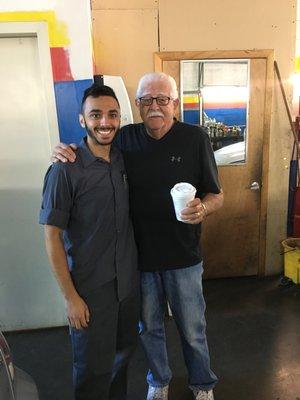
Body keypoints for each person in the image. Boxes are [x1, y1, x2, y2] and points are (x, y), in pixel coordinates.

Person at [52, 72, 224, 400]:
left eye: (163, 100)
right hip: (139, 261)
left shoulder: (195, 139)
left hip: (183, 256)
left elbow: (217, 194)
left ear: (175, 103)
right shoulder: (125, 139)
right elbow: (94, 140)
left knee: (192, 329)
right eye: (147, 100)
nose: (155, 106)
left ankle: (202, 384)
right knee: (150, 329)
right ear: (138, 105)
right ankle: (158, 380)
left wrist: (204, 209)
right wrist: (64, 148)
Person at [39, 84, 139, 400]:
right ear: (82, 120)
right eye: (95, 115)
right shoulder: (64, 169)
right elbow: (51, 236)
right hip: (90, 291)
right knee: (93, 372)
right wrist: (70, 298)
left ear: (120, 118)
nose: (105, 122)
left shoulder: (124, 160)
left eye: (112, 114)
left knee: (122, 361)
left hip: (127, 286)